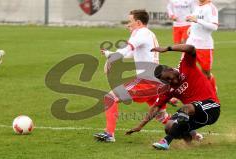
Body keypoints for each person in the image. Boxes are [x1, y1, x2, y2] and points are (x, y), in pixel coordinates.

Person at [94, 9, 170, 142]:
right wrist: (109, 54)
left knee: (110, 97)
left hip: (147, 79)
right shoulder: (146, 33)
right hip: (154, 79)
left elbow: (127, 49)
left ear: (138, 22)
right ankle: (192, 134)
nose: (127, 25)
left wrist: (111, 58)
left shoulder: (141, 33)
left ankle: (109, 134)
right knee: (160, 115)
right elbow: (130, 54)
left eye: (130, 22)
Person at [126, 44, 220, 150]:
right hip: (195, 114)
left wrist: (167, 48)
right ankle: (190, 142)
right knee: (169, 126)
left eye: (169, 78)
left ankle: (165, 142)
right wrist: (140, 126)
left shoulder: (186, 65)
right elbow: (156, 107)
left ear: (171, 70)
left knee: (185, 108)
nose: (171, 81)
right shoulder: (168, 88)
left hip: (212, 107)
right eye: (166, 81)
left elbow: (191, 49)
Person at [186, 0, 218, 92]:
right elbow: (195, 22)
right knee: (185, 70)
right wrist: (190, 27)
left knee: (206, 73)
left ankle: (212, 91)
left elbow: (214, 26)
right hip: (191, 44)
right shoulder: (197, 6)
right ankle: (183, 95)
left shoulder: (211, 8)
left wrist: (197, 20)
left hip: (204, 46)